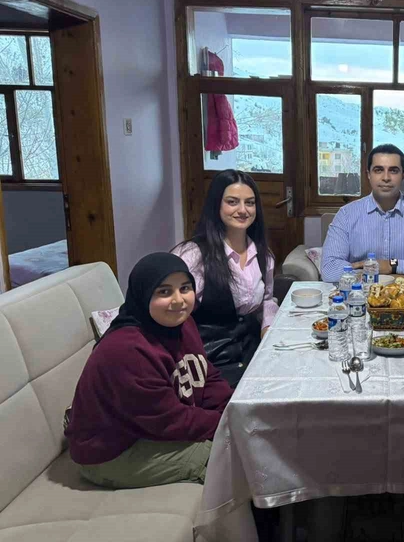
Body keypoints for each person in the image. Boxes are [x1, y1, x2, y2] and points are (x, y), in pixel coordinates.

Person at [65, 253, 233, 488]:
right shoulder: (127, 350)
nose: (179, 300)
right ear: (143, 295)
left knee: (243, 438)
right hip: (112, 451)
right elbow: (169, 420)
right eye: (164, 292)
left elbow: (205, 375)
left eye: (185, 288)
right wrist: (227, 424)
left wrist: (233, 408)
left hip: (148, 428)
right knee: (228, 457)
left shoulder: (182, 323)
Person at [173, 169, 278, 386]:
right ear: (217, 205)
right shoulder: (193, 255)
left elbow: (266, 300)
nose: (243, 210)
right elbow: (175, 313)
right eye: (232, 202)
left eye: (250, 203)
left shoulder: (263, 256)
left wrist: (267, 328)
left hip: (250, 351)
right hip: (209, 359)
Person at [320, 144, 404, 283]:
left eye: (393, 171)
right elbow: (329, 270)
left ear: (403, 175)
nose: (386, 177)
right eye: (378, 170)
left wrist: (392, 265)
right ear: (368, 175)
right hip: (360, 293)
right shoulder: (346, 215)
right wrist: (375, 272)